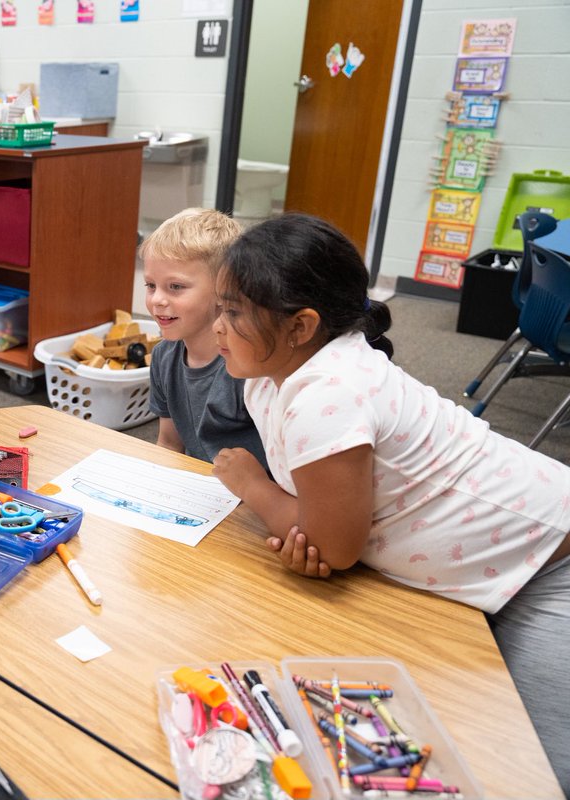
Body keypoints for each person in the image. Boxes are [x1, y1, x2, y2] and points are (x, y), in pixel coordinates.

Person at [210, 213, 570, 792]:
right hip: (476, 572)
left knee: (529, 773)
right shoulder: (269, 374)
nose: (216, 324)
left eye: (232, 311)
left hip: (545, 562)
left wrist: (253, 486)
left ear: (302, 326)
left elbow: (331, 548)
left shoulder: (329, 393)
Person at [142, 208, 266, 469]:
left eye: (175, 287)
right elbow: (168, 444)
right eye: (151, 285)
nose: (157, 300)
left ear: (224, 289)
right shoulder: (164, 356)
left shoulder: (251, 367)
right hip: (196, 488)